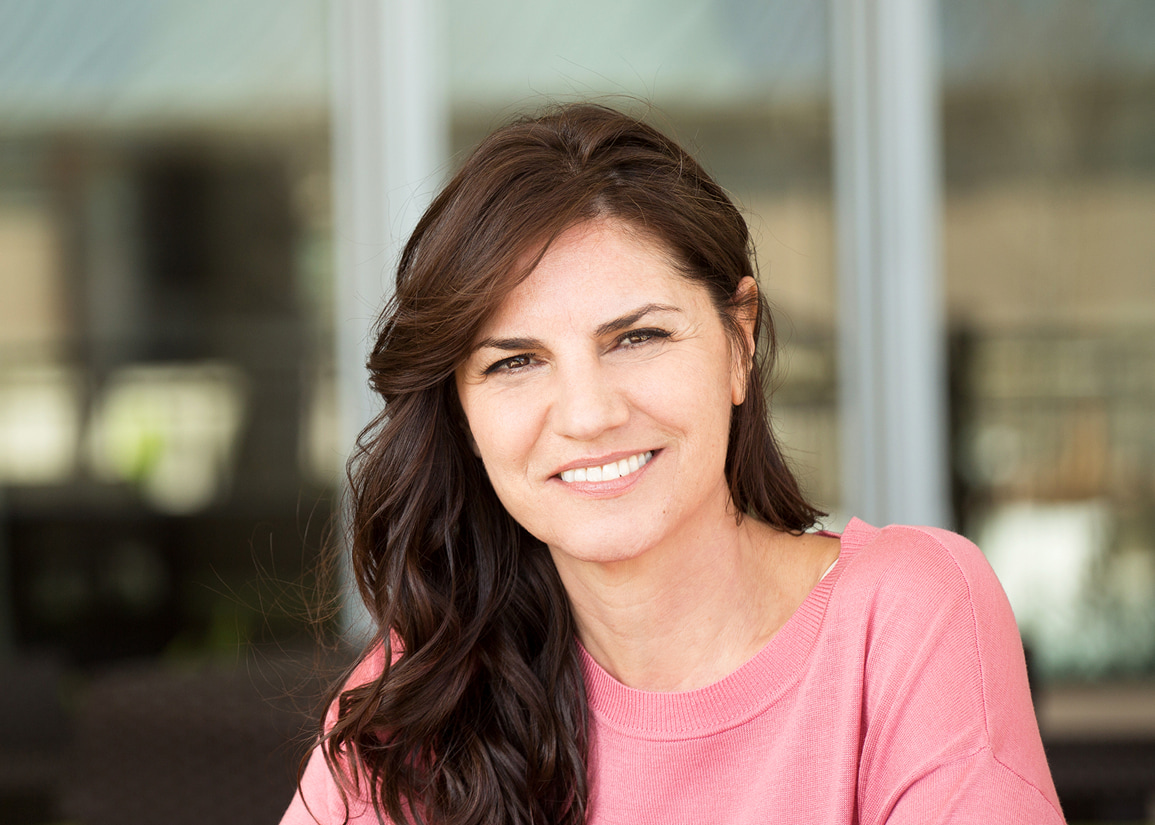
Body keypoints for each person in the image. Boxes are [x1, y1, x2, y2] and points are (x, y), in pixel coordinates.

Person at [282, 102, 1064, 825]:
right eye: (515, 361)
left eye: (637, 337)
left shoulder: (903, 617)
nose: (588, 414)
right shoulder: (419, 705)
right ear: (462, 414)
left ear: (738, 339)